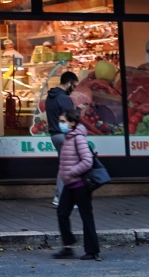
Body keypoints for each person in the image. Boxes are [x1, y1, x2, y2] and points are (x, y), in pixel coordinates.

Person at [52, 109, 101, 261]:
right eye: (60, 121)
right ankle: (68, 246)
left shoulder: (78, 138)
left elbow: (88, 161)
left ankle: (92, 251)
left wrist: (72, 172)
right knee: (62, 213)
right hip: (69, 184)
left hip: (80, 184)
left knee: (86, 217)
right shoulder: (68, 137)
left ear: (72, 123)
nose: (61, 125)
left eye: (63, 122)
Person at [46, 71, 79, 207]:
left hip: (54, 135)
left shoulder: (50, 97)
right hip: (64, 135)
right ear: (68, 83)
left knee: (65, 165)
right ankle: (62, 197)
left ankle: (60, 196)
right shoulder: (64, 99)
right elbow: (71, 119)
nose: (74, 89)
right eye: (74, 85)